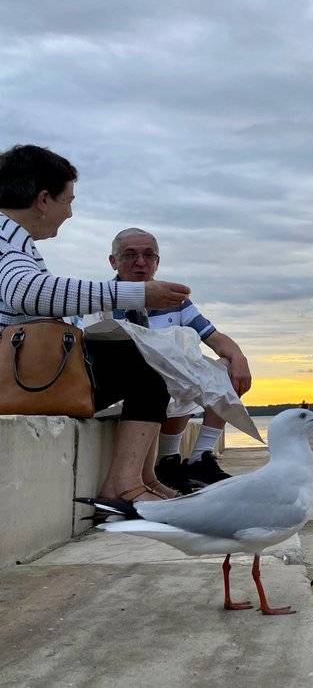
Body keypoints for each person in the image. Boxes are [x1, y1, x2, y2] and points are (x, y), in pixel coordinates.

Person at [0, 144, 190, 503]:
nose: (70, 212)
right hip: (10, 377)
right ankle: (123, 487)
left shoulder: (10, 238)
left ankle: (138, 479)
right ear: (44, 200)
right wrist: (136, 294)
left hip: (15, 370)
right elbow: (26, 292)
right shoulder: (6, 240)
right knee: (149, 365)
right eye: (68, 200)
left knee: (144, 359)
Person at [107, 227, 252, 493]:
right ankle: (167, 459)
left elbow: (213, 337)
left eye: (148, 255)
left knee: (222, 367)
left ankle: (199, 458)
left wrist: (238, 357)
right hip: (127, 385)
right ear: (113, 261)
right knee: (164, 371)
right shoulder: (102, 299)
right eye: (130, 255)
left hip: (166, 383)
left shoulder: (175, 301)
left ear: (157, 261)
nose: (140, 262)